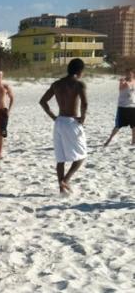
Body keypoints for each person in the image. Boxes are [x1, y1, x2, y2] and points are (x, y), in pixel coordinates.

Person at [39, 59, 88, 194]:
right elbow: (84, 103)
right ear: (79, 71)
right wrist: (83, 118)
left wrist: (53, 117)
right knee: (82, 156)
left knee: (60, 159)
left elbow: (43, 101)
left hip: (59, 122)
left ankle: (62, 190)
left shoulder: (56, 84)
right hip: (72, 121)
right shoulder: (78, 84)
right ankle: (65, 180)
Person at [103, 69, 135, 147]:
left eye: (130, 74)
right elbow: (121, 88)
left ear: (133, 74)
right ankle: (109, 140)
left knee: (134, 126)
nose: (129, 75)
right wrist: (125, 83)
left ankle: (133, 142)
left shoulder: (134, 81)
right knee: (118, 125)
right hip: (123, 107)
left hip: (133, 106)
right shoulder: (123, 81)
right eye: (127, 73)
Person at [0, 69, 14, 159]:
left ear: (2, 76)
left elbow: (12, 98)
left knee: (1, 133)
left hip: (2, 110)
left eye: (0, 74)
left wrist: (9, 110)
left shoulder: (5, 86)